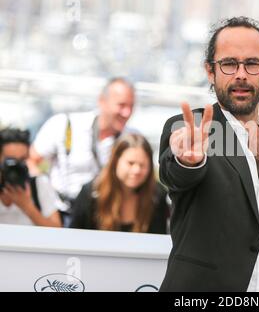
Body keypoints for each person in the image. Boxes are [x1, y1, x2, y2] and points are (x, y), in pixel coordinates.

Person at [158, 17, 259, 292]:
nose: (241, 74)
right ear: (210, 71)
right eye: (229, 63)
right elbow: (175, 175)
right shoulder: (194, 132)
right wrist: (187, 161)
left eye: (252, 64)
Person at [28, 77, 135, 224]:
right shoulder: (65, 125)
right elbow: (33, 160)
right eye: (121, 105)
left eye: (131, 106)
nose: (127, 112)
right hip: (63, 214)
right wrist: (48, 199)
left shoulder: (132, 139)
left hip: (104, 220)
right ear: (102, 101)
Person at [70, 133, 169, 234]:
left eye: (142, 165)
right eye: (130, 163)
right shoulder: (91, 193)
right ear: (115, 162)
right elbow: (73, 236)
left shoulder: (157, 195)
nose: (136, 170)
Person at [0, 128, 63, 227]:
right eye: (11, 161)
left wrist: (27, 206)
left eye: (22, 160)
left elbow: (57, 230)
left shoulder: (39, 183)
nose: (16, 167)